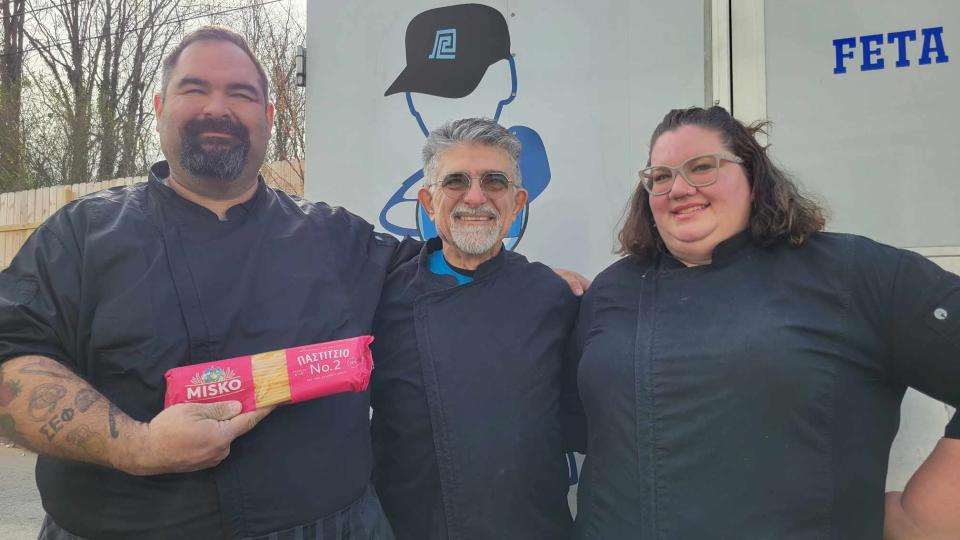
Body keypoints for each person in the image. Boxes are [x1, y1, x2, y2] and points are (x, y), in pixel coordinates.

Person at [0, 26, 417, 539]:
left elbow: (459, 285)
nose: (217, 108)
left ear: (269, 117)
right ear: (158, 107)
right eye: (195, 89)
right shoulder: (82, 234)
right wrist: (138, 446)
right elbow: (10, 355)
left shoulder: (339, 237)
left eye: (241, 93)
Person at [570, 105, 960, 539]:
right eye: (660, 177)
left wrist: (923, 515)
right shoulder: (609, 292)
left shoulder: (852, 273)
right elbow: (576, 425)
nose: (678, 188)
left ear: (754, 178)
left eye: (702, 167)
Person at [370, 118, 583, 539]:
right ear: (429, 202)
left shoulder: (553, 296)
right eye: (456, 182)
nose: (475, 197)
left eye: (494, 182)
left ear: (517, 202)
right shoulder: (382, 294)